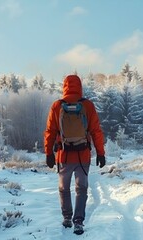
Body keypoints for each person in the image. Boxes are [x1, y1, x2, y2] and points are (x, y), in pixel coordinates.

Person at [44, 74, 105, 235]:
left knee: (64, 189)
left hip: (63, 156)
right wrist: (101, 153)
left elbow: (50, 132)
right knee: (82, 188)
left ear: (64, 86)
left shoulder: (57, 106)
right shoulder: (88, 106)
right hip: (83, 155)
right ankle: (78, 222)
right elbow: (96, 131)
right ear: (80, 86)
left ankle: (66, 218)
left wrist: (48, 153)